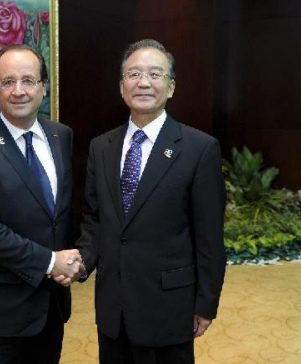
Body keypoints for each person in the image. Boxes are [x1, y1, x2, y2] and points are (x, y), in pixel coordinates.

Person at [76, 39, 227, 364]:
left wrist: (206, 302)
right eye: (133, 74)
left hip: (170, 307)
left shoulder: (199, 148)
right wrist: (82, 261)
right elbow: (94, 218)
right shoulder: (101, 147)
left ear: (171, 87)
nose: (143, 82)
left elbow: (210, 238)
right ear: (121, 86)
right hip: (113, 308)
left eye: (155, 74)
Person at [0, 44, 82, 364]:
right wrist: (52, 262)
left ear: (44, 86)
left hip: (51, 303)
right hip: (1, 306)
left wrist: (78, 257)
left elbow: (62, 213)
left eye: (29, 80)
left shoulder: (61, 136)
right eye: (8, 82)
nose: (19, 91)